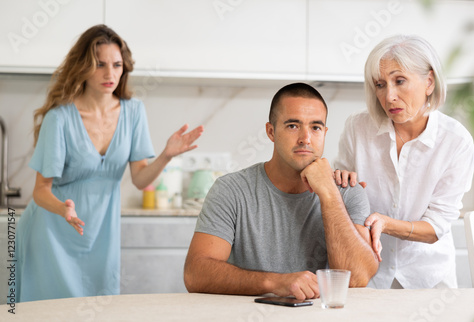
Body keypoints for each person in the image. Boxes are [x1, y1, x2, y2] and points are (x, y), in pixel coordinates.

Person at [14, 24, 203, 302]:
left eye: (117, 65)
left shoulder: (133, 111)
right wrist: (62, 209)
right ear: (84, 67)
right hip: (53, 232)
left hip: (102, 236)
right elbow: (41, 189)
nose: (110, 74)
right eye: (100, 64)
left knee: (99, 308)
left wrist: (166, 155)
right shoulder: (60, 118)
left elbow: (140, 179)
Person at [184, 83, 379, 300]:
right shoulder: (231, 190)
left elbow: (356, 280)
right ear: (271, 132)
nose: (306, 138)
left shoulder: (347, 191)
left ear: (324, 133)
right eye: (293, 126)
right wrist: (276, 282)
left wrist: (328, 194)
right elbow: (195, 274)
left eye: (315, 127)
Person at [334, 34, 474, 289]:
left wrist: (386, 223)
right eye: (379, 84)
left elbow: (436, 228)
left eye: (400, 81)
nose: (389, 96)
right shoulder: (357, 128)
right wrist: (340, 182)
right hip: (368, 276)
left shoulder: (456, 142)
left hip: (428, 280)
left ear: (429, 82)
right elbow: (341, 198)